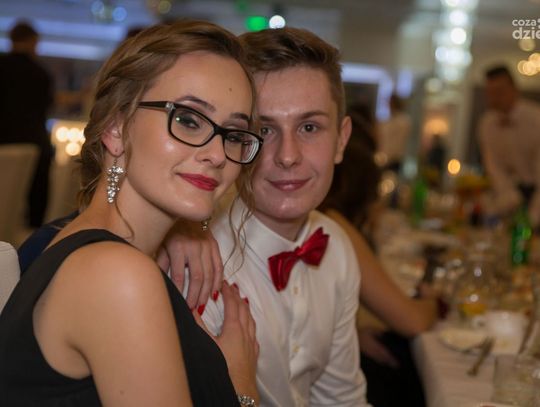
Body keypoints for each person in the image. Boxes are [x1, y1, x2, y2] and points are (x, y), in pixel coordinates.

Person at [0, 20, 262, 406]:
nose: (218, 154)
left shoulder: (82, 245)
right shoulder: (117, 275)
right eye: (188, 120)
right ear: (116, 128)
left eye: (234, 134)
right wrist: (241, 386)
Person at [201, 27, 369, 406]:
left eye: (309, 127)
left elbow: (341, 399)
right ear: (235, 139)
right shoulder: (201, 261)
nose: (288, 156)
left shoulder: (336, 248)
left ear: (341, 139)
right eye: (264, 129)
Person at [320, 139, 438, 407]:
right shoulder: (335, 225)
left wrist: (352, 332)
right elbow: (413, 321)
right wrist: (433, 302)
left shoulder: (326, 222)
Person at [0, 20, 55, 228]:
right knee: (35, 207)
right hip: (34, 142)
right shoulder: (40, 73)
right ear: (33, 41)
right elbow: (47, 105)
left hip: (3, 141)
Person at [477, 65, 540, 226]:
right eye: (490, 93)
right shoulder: (487, 124)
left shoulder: (536, 119)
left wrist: (532, 219)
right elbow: (494, 166)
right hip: (509, 197)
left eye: (499, 92)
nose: (495, 98)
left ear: (514, 89)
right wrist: (508, 197)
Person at [377, 93, 412, 174]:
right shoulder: (386, 122)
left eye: (390, 102)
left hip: (395, 159)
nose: (389, 105)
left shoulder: (403, 121)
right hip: (384, 158)